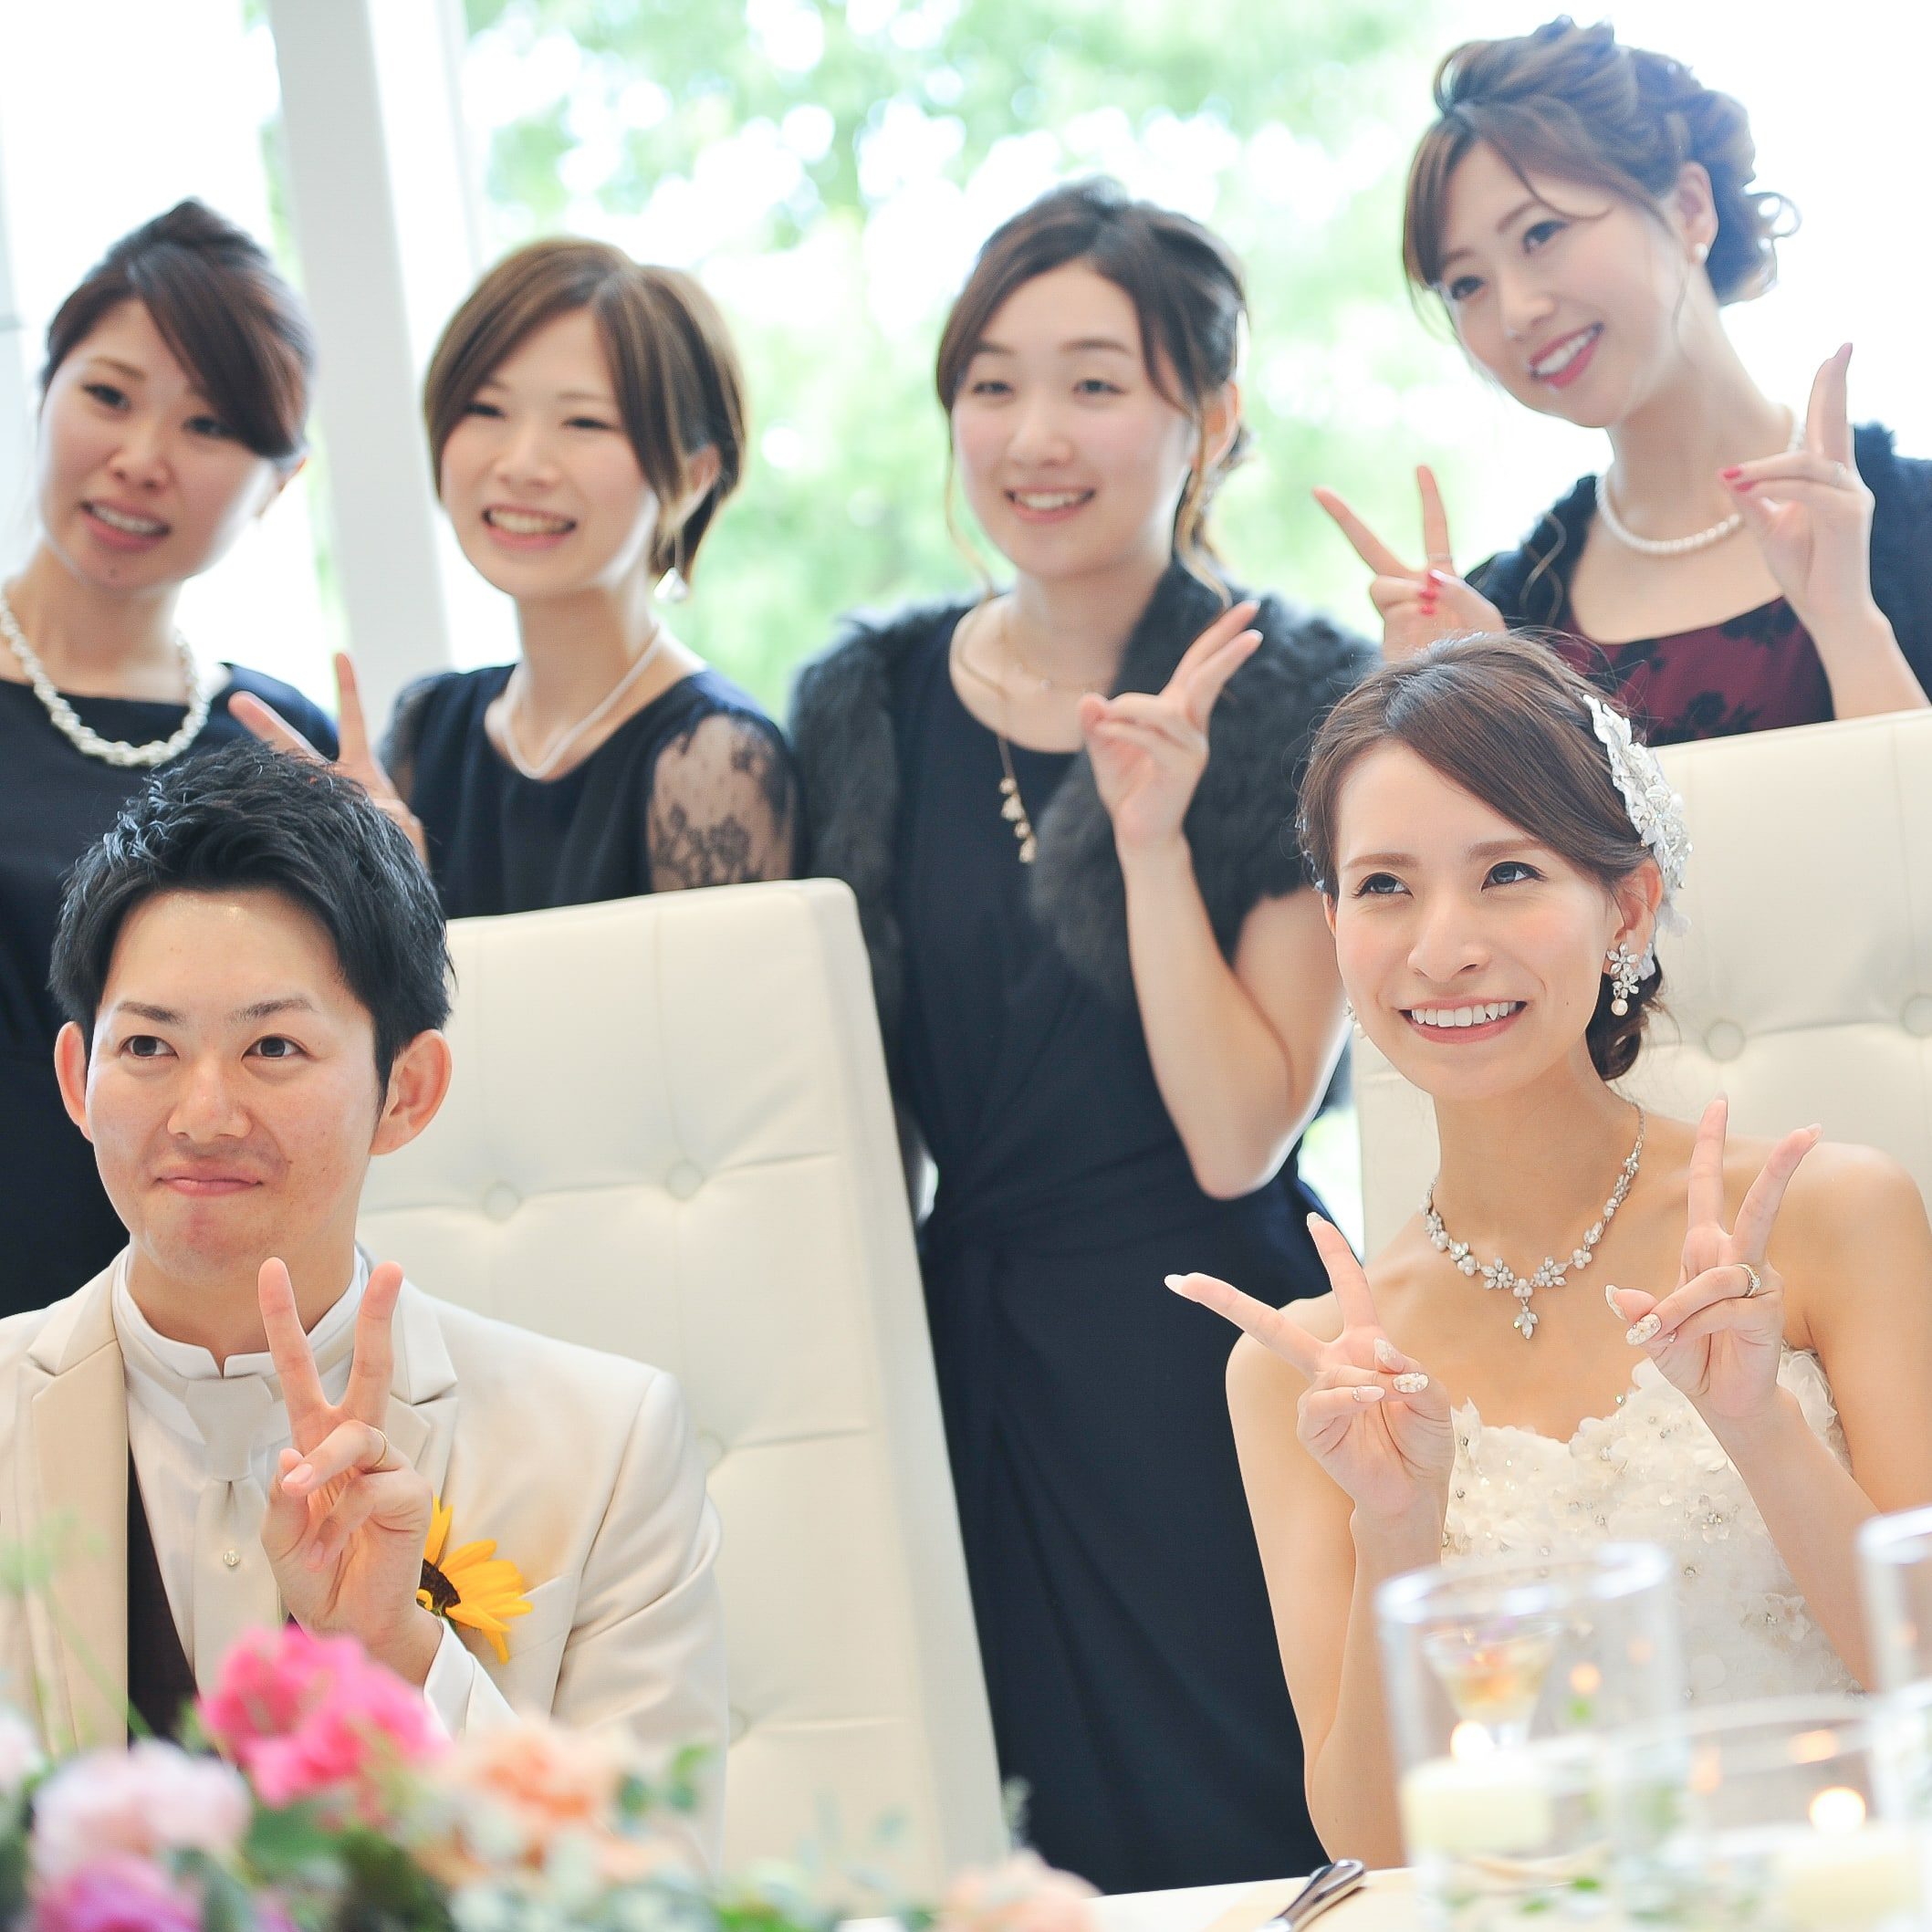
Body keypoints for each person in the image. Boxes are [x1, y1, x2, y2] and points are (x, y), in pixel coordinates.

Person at [791, 179, 1370, 1893]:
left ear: (1208, 417)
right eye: (992, 384)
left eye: (1096, 383)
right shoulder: (867, 701)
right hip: (961, 1363)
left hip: (1215, 1361)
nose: (1034, 435)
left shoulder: (1297, 693)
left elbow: (1240, 1136)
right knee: (1023, 1861)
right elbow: (842, 1102)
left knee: (1267, 1829)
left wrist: (1149, 843)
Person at [1172, 637, 1932, 1865]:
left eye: (1507, 872)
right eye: (1383, 886)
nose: (1441, 946)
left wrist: (1759, 1427)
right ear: (1333, 926)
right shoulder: (1301, 1370)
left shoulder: (1835, 1218)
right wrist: (1398, 1527)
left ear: (1625, 906)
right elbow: (1374, 1844)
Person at [1, 742, 726, 1861]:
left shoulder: (605, 1448)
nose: (202, 1113)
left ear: (407, 1090)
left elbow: (656, 1891)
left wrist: (403, 1656)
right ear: (75, 1080)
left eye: (272, 1045)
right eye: (146, 1044)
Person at [1315, 18, 1932, 746]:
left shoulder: (1913, 522)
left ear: (1688, 207)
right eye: (1466, 285)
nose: (1514, 312)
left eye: (1539, 233)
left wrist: (1848, 626)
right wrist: (1464, 718)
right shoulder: (1504, 615)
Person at [236, 237, 797, 912]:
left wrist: (414, 915)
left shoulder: (714, 757)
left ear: (693, 476)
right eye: (486, 410)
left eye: (584, 421)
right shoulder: (429, 725)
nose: (522, 464)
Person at [0, 202, 338, 1317]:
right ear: (44, 392)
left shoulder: (280, 742)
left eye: (207, 425)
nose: (141, 459)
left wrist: (401, 895)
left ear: (277, 482)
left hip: (213, 1341)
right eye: (108, 396)